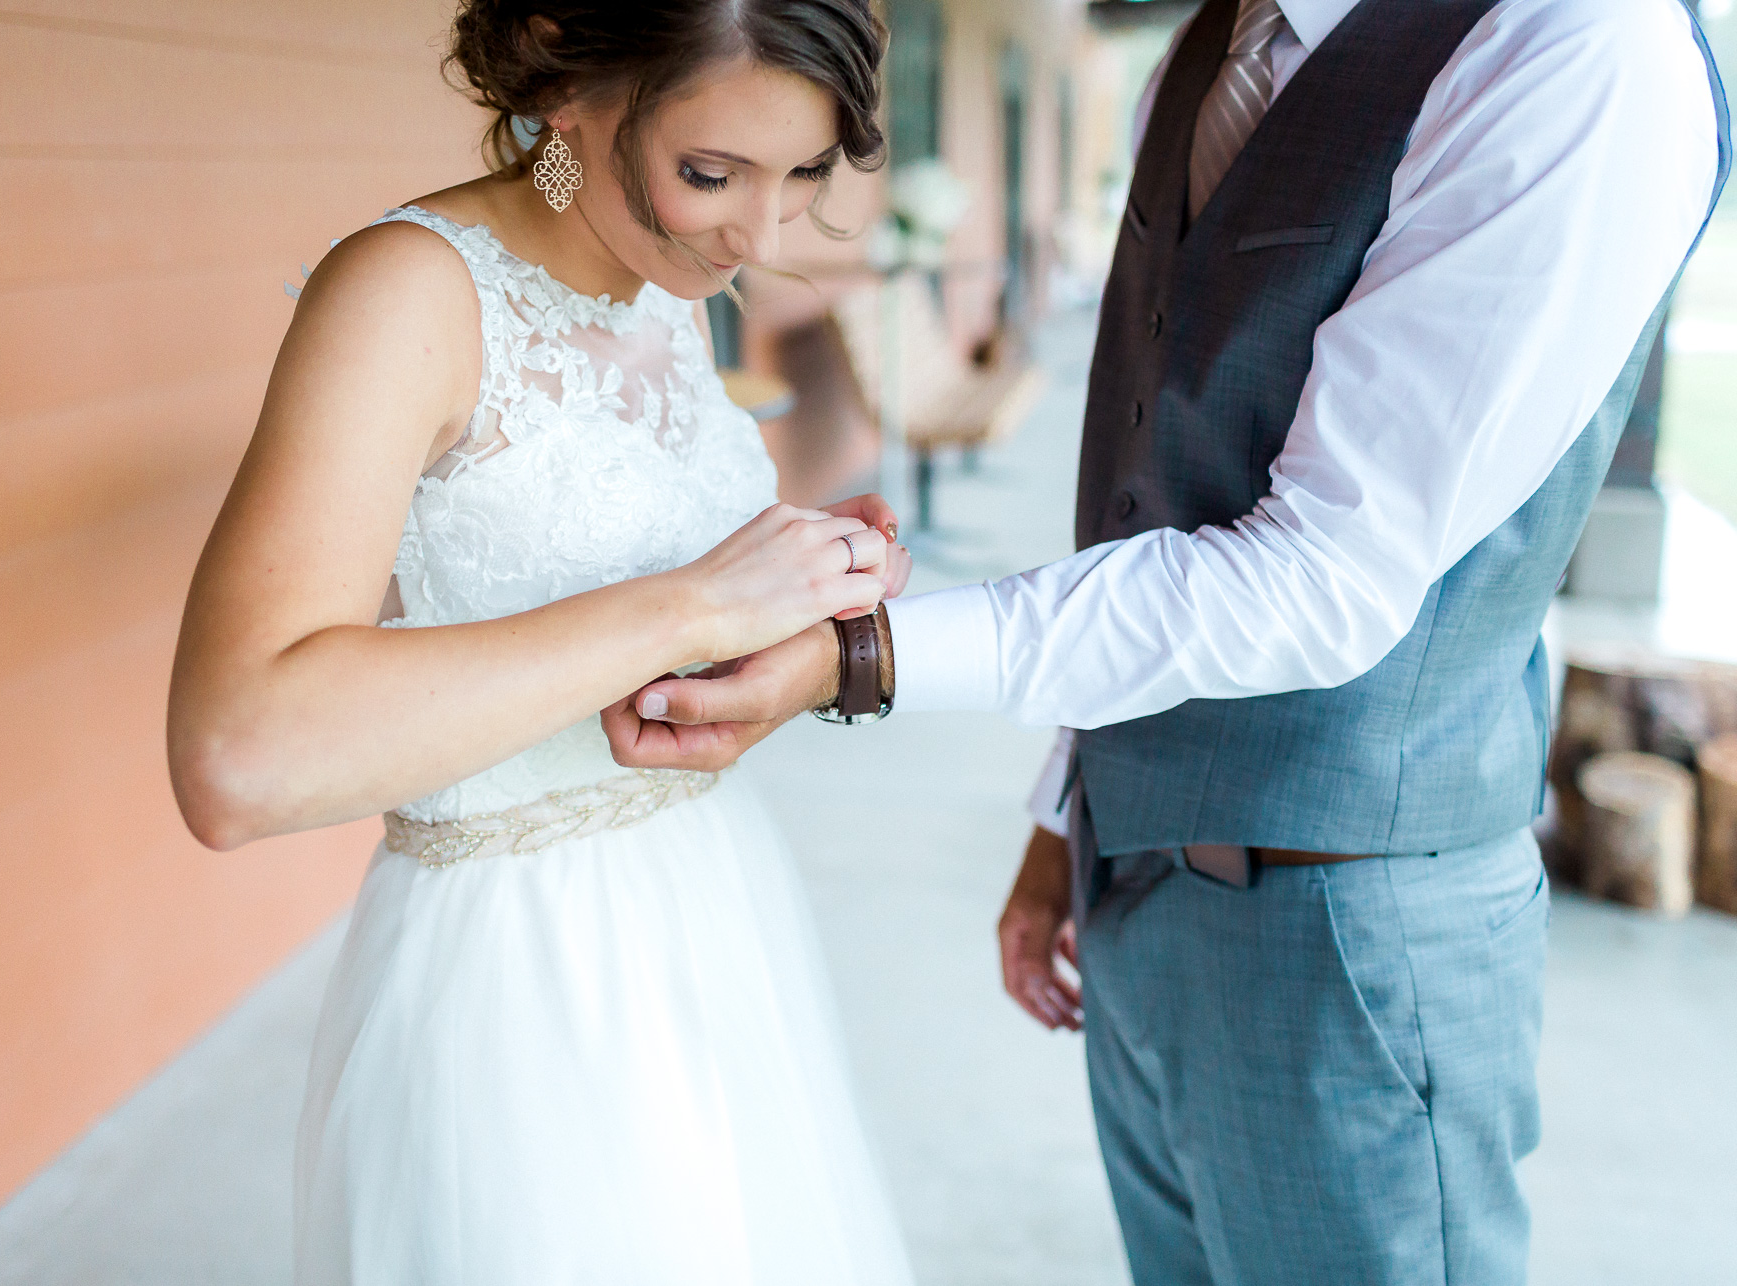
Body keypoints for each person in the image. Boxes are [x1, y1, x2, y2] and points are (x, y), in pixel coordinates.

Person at [605, 0, 1731, 1281]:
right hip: (1132, 881)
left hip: (1353, 931)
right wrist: (1065, 808)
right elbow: (1160, 479)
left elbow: (1325, 573)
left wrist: (857, 656)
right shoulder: (1208, 52)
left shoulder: (1577, 49)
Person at [166, 3, 918, 1281]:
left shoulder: (656, 282)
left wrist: (794, 590)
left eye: (801, 175)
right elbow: (239, 753)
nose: (760, 235)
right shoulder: (407, 289)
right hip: (514, 978)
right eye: (709, 174)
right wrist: (690, 603)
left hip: (707, 912)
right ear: (570, 81)